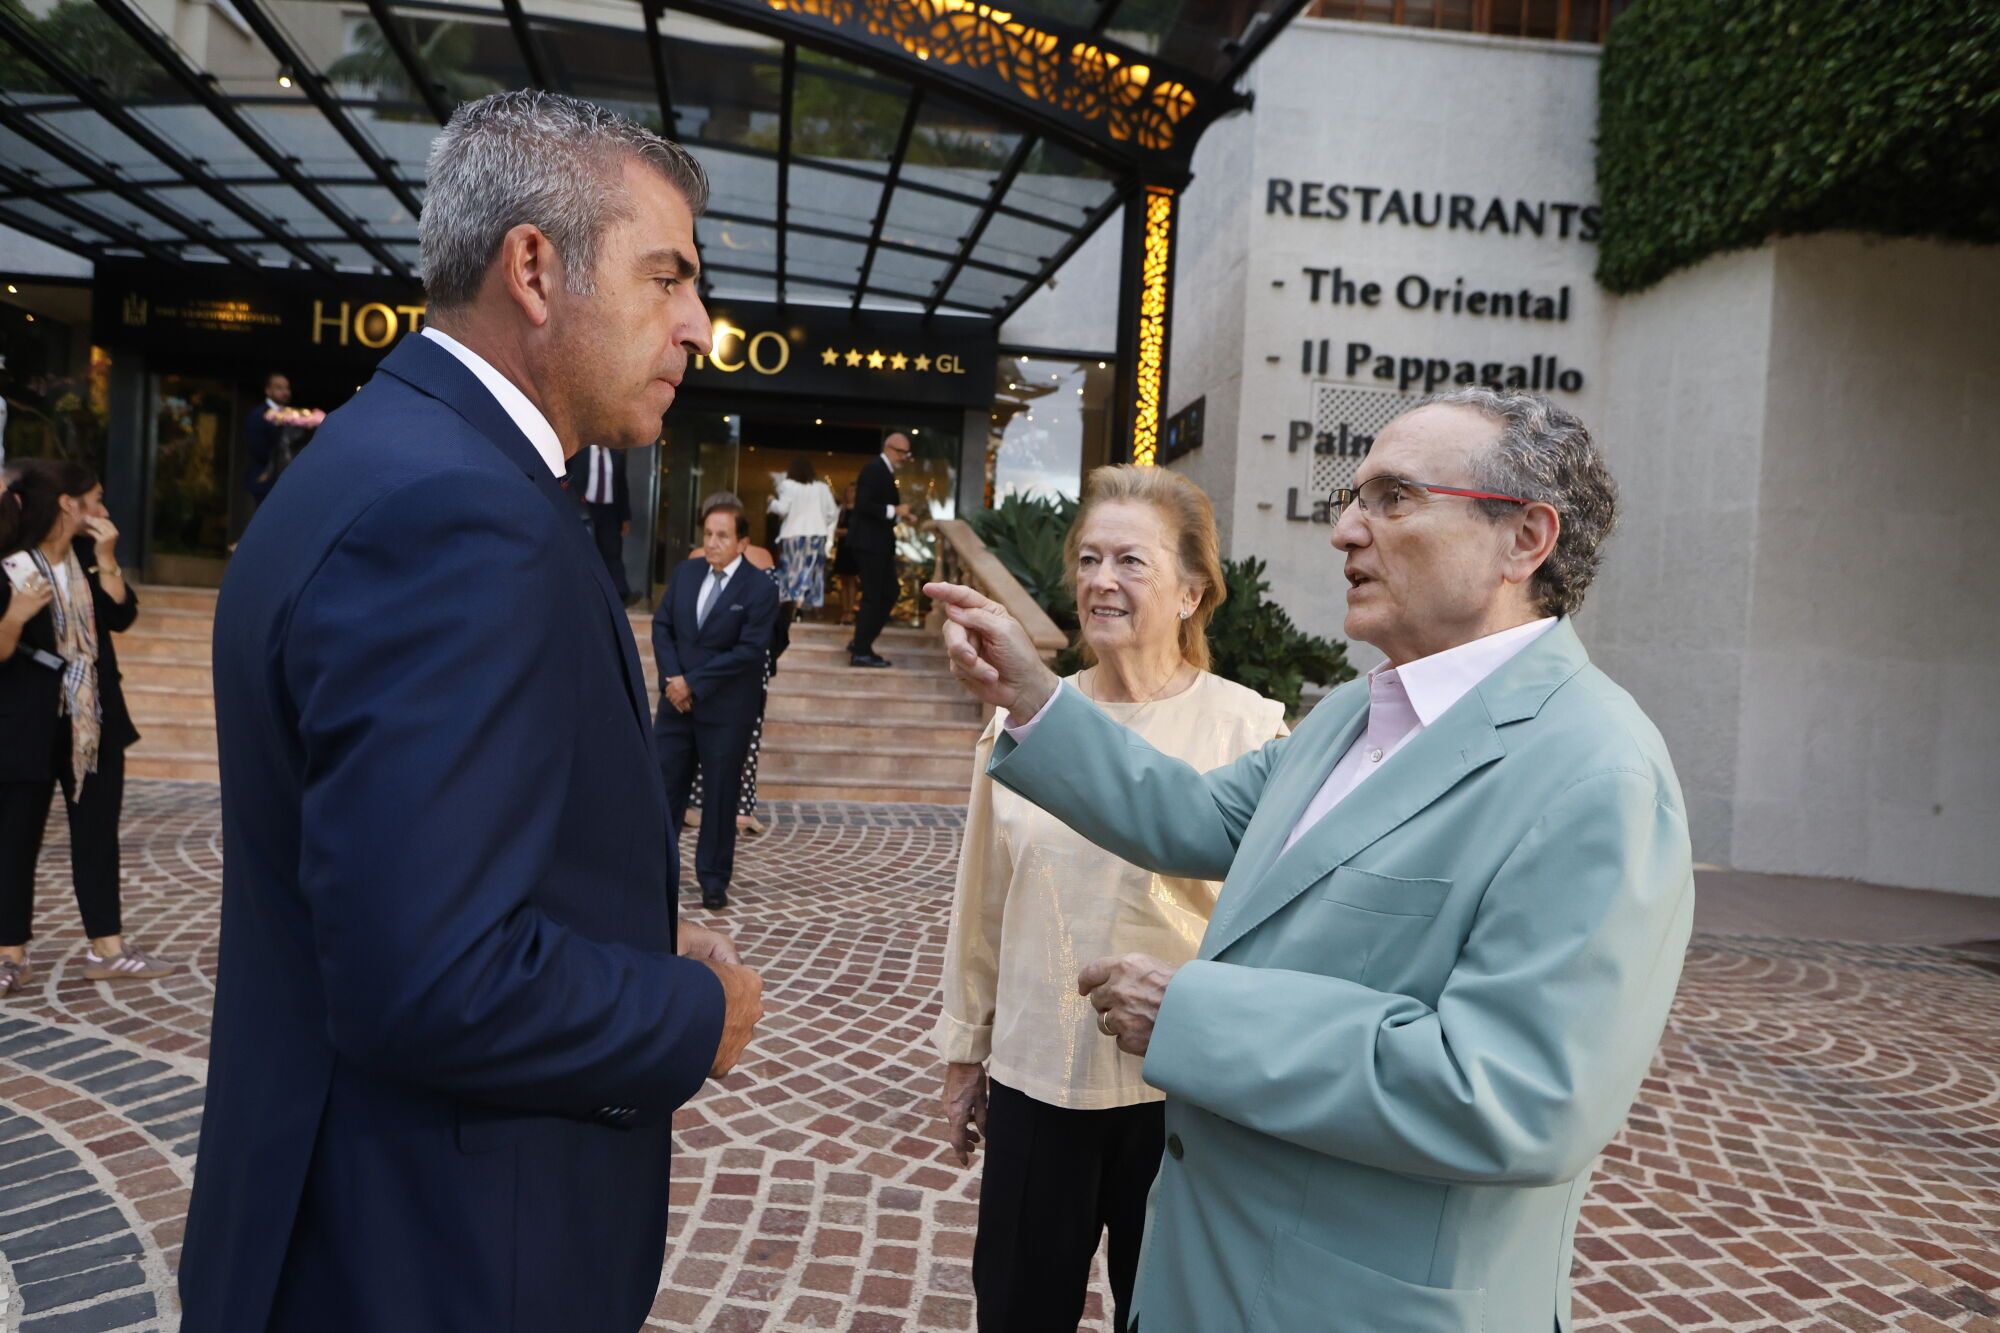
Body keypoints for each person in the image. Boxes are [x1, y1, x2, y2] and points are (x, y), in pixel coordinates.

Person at [929, 388, 1694, 1333]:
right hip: (1212, 1280)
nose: (1345, 529)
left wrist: (1193, 1015)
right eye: (1353, 496)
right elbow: (1192, 812)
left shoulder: (1596, 772)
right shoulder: (1350, 714)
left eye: (1393, 497)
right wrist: (1038, 695)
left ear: (1524, 540)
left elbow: (1519, 1095)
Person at [183, 90, 765, 1333]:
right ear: (535, 268)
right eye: (665, 279)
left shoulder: (386, 458)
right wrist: (690, 1012)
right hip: (429, 1263)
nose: (696, 326)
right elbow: (433, 974)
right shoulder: (458, 514)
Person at [935, 465, 1287, 1333]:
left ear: (1191, 590)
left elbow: (1282, 926)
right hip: (1037, 1074)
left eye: (1131, 560)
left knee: (1169, 1315)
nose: (1101, 580)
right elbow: (983, 898)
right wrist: (965, 1046)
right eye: (1089, 559)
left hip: (1182, 1093)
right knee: (1017, 1310)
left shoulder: (1251, 730)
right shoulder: (1024, 720)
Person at [0, 459, 172, 999]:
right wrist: (15, 614)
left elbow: (120, 618)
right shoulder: (10, 569)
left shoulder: (84, 561)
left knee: (97, 837)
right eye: (94, 499)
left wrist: (106, 558)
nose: (102, 509)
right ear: (67, 504)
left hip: (92, 719)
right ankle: (8, 954)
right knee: (12, 841)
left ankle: (108, 949)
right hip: (23, 725)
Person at [655, 492, 781, 910]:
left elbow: (750, 651)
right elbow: (662, 627)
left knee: (721, 797)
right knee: (663, 792)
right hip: (676, 707)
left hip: (726, 711)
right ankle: (656, 874)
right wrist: (674, 680)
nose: (712, 543)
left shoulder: (760, 587)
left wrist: (693, 682)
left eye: (722, 536)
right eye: (708, 534)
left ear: (743, 543)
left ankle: (713, 880)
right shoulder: (686, 574)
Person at [847, 431, 915, 667]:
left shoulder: (883, 471)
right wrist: (894, 511)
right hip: (869, 545)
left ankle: (861, 642)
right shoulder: (874, 469)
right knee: (875, 596)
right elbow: (864, 504)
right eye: (902, 452)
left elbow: (876, 508)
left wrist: (900, 516)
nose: (905, 457)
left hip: (878, 544)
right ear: (889, 448)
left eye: (907, 453)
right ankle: (861, 650)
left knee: (888, 593)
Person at [768, 456, 839, 617]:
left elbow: (783, 509)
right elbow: (832, 512)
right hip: (815, 535)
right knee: (809, 571)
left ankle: (790, 606)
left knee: (791, 572)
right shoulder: (822, 488)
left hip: (793, 535)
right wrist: (820, 521)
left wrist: (772, 502)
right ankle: (802, 606)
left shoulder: (788, 485)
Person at [566, 441, 633, 601]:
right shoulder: (581, 453)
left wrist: (625, 518)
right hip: (586, 509)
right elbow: (570, 479)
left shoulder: (617, 457)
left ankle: (619, 595)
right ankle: (585, 593)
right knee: (585, 550)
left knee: (612, 552)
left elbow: (622, 488)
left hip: (609, 511)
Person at [242, 371, 292, 505]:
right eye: (279, 388)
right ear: (268, 390)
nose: (285, 392)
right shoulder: (259, 415)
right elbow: (257, 448)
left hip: (283, 481)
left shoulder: (290, 415)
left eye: (287, 388)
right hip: (265, 480)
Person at [832, 480, 860, 624]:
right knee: (843, 581)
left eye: (853, 491)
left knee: (852, 580)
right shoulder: (841, 510)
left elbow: (857, 531)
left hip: (853, 548)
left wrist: (846, 532)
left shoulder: (860, 511)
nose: (851, 494)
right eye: (849, 491)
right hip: (842, 547)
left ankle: (851, 611)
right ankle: (844, 610)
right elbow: (834, 528)